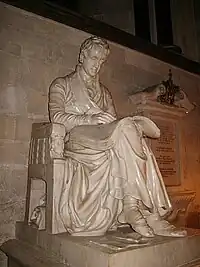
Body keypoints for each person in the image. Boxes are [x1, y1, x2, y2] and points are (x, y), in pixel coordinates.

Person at [48, 36, 186, 237]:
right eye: (93, 59)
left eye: (101, 61)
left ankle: (138, 210)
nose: (97, 65)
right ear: (82, 56)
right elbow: (57, 116)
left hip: (104, 139)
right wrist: (90, 119)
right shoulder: (62, 85)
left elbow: (113, 121)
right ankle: (143, 212)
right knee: (126, 131)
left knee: (133, 136)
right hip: (78, 139)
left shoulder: (104, 93)